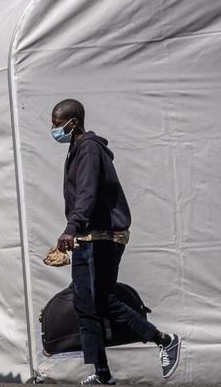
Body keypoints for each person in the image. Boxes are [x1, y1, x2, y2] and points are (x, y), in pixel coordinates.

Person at [50, 99, 181, 385]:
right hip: (87, 238)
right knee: (85, 305)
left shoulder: (89, 149)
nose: (54, 129)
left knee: (104, 300)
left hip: (103, 238)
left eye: (57, 124)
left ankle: (164, 340)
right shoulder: (76, 149)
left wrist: (71, 227)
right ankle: (101, 374)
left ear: (73, 122)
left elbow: (87, 192)